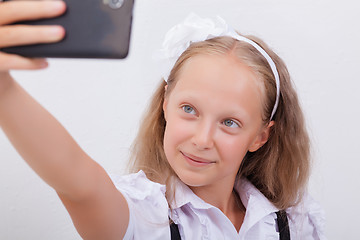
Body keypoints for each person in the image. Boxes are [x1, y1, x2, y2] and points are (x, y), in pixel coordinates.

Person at [0, 1, 325, 239]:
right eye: (189, 109)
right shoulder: (143, 217)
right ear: (165, 104)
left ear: (260, 136)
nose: (202, 138)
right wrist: (3, 89)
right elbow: (76, 181)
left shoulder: (292, 221)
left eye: (230, 123)